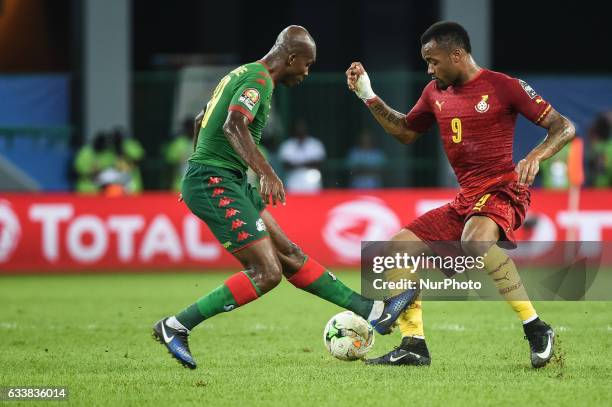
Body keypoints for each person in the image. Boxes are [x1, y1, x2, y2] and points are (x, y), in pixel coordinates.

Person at [152, 25, 419, 370]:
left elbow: (202, 118)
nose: (307, 73)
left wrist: (197, 163)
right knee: (266, 272)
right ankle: (176, 326)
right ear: (291, 58)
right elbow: (233, 125)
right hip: (215, 181)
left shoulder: (244, 73)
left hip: (225, 179)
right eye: (306, 65)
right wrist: (264, 171)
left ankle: (375, 311)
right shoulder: (259, 79)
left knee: (290, 256)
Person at [346, 21, 575, 368]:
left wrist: (535, 156)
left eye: (434, 61)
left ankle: (537, 328)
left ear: (457, 54)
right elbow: (406, 132)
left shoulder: (504, 87)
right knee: (395, 250)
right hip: (466, 199)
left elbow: (563, 126)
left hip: (502, 188)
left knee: (475, 240)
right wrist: (368, 95)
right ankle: (413, 345)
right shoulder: (434, 92)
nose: (429, 68)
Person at [278, 119, 326, 193]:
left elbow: (318, 163)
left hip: (312, 176)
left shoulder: (315, 144)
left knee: (313, 200)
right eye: (298, 128)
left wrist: (296, 164)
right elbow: (286, 165)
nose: (300, 130)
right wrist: (307, 163)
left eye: (302, 128)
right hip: (294, 178)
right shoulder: (287, 145)